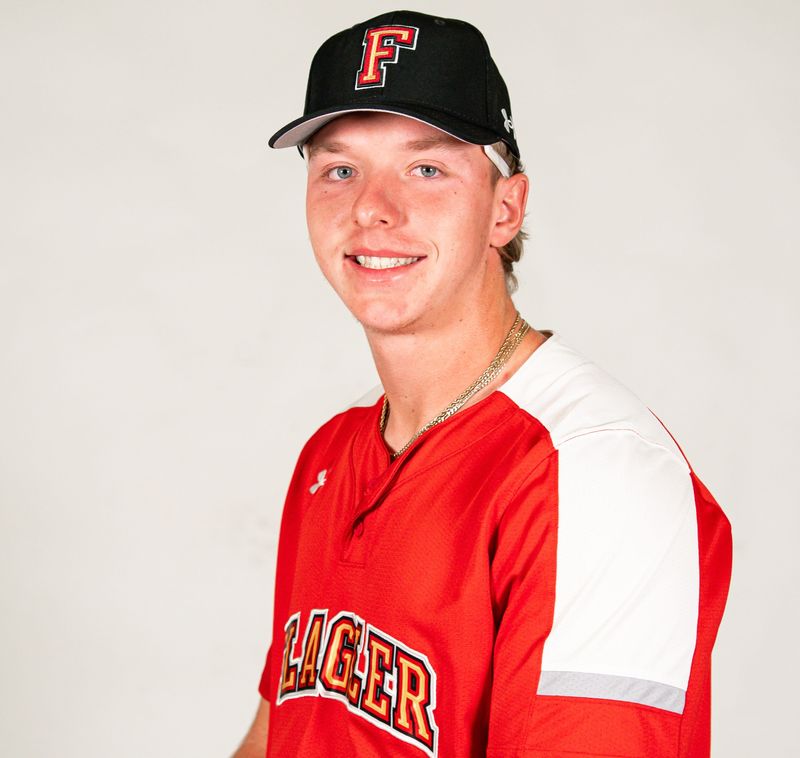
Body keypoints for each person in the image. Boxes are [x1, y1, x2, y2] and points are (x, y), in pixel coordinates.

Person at [233, 10, 732, 758]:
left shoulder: (593, 473)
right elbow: (279, 736)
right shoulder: (327, 459)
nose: (373, 207)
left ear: (506, 209)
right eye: (340, 169)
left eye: (426, 169)